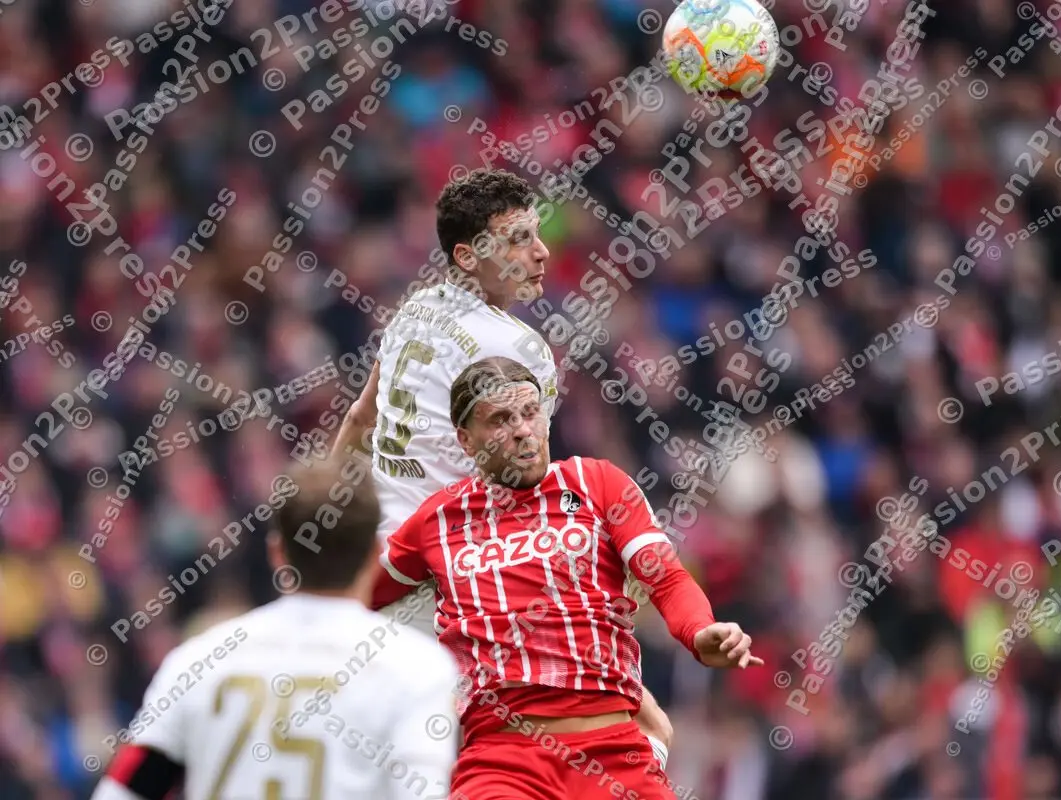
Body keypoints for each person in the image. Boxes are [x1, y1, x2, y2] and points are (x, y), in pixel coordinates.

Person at [332, 167, 676, 768]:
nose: (540, 251)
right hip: (443, 581)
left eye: (535, 234)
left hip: (379, 564)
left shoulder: (413, 313)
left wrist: (324, 522)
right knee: (628, 728)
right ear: (468, 255)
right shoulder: (517, 350)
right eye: (517, 238)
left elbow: (360, 420)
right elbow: (523, 485)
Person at [371, 357, 763, 800]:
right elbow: (347, 592)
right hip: (501, 759)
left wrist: (699, 631)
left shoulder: (598, 483)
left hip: (613, 752)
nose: (523, 430)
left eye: (530, 412)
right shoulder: (437, 521)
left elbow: (666, 577)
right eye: (501, 419)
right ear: (466, 439)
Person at [89, 459, 460, 800]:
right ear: (374, 554)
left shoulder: (196, 661)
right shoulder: (417, 670)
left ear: (277, 553)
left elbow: (122, 791)